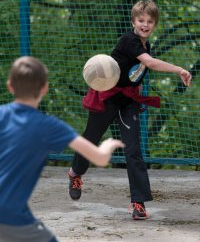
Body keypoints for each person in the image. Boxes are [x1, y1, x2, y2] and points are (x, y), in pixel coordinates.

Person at [68, 0, 192, 220]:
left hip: (128, 102)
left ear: (155, 24)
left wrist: (138, 91)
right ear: (133, 21)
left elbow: (137, 72)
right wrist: (179, 69)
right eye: (141, 20)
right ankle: (75, 173)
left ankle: (138, 203)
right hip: (107, 97)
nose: (145, 25)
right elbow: (150, 63)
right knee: (90, 140)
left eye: (150, 21)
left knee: (133, 150)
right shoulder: (129, 40)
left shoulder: (146, 45)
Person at [0, 56, 124, 242]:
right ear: (44, 88)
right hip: (13, 217)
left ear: (10, 86)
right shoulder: (50, 126)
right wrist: (108, 145)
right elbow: (99, 158)